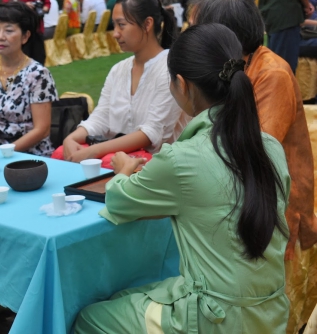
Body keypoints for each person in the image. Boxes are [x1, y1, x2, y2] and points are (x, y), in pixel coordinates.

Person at [74, 22, 289, 334]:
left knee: (89, 319)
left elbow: (119, 201)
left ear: (181, 84)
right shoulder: (270, 147)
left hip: (214, 317)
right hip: (269, 309)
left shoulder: (182, 158)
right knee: (125, 296)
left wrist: (121, 170)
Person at [188, 0, 317, 258]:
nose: (187, 38)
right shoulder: (226, 71)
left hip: (273, 219)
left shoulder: (272, 74)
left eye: (194, 30)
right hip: (234, 204)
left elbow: (250, 153)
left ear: (221, 37)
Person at [52, 0, 184, 167]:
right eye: (114, 25)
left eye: (121, 25)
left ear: (147, 24)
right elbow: (101, 117)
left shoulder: (169, 69)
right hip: (114, 158)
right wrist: (71, 138)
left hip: (155, 165)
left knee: (99, 161)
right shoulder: (118, 70)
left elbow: (150, 133)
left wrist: (96, 150)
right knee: (62, 152)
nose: (115, 33)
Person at [0, 1, 57, 156]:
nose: (0, 37)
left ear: (25, 36)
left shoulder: (38, 74)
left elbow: (42, 129)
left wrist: (4, 153)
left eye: (9, 31)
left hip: (31, 156)